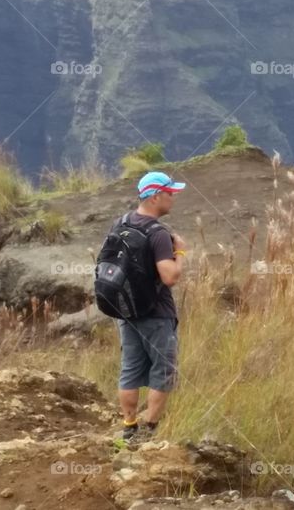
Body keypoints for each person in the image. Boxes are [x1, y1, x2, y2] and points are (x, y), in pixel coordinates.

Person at [115, 171, 187, 442]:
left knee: (130, 368)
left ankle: (129, 428)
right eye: (170, 193)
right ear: (156, 196)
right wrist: (179, 253)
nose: (173, 198)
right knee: (163, 369)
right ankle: (150, 430)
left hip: (126, 311)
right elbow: (169, 276)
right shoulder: (158, 233)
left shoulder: (120, 224)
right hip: (156, 314)